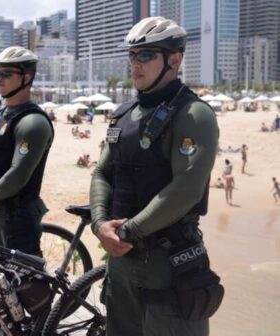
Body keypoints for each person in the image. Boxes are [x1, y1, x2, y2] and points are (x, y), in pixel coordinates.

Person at [90, 17, 222, 336]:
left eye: (146, 55)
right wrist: (99, 223)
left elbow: (186, 190)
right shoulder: (123, 114)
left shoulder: (193, 115)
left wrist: (129, 230)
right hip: (122, 262)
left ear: (174, 60)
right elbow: (102, 172)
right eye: (132, 56)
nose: (136, 64)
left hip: (169, 265)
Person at [0, 46, 54, 257]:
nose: (0, 78)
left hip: (19, 214)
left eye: (7, 74)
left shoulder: (32, 122)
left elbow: (18, 174)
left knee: (25, 285)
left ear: (26, 78)